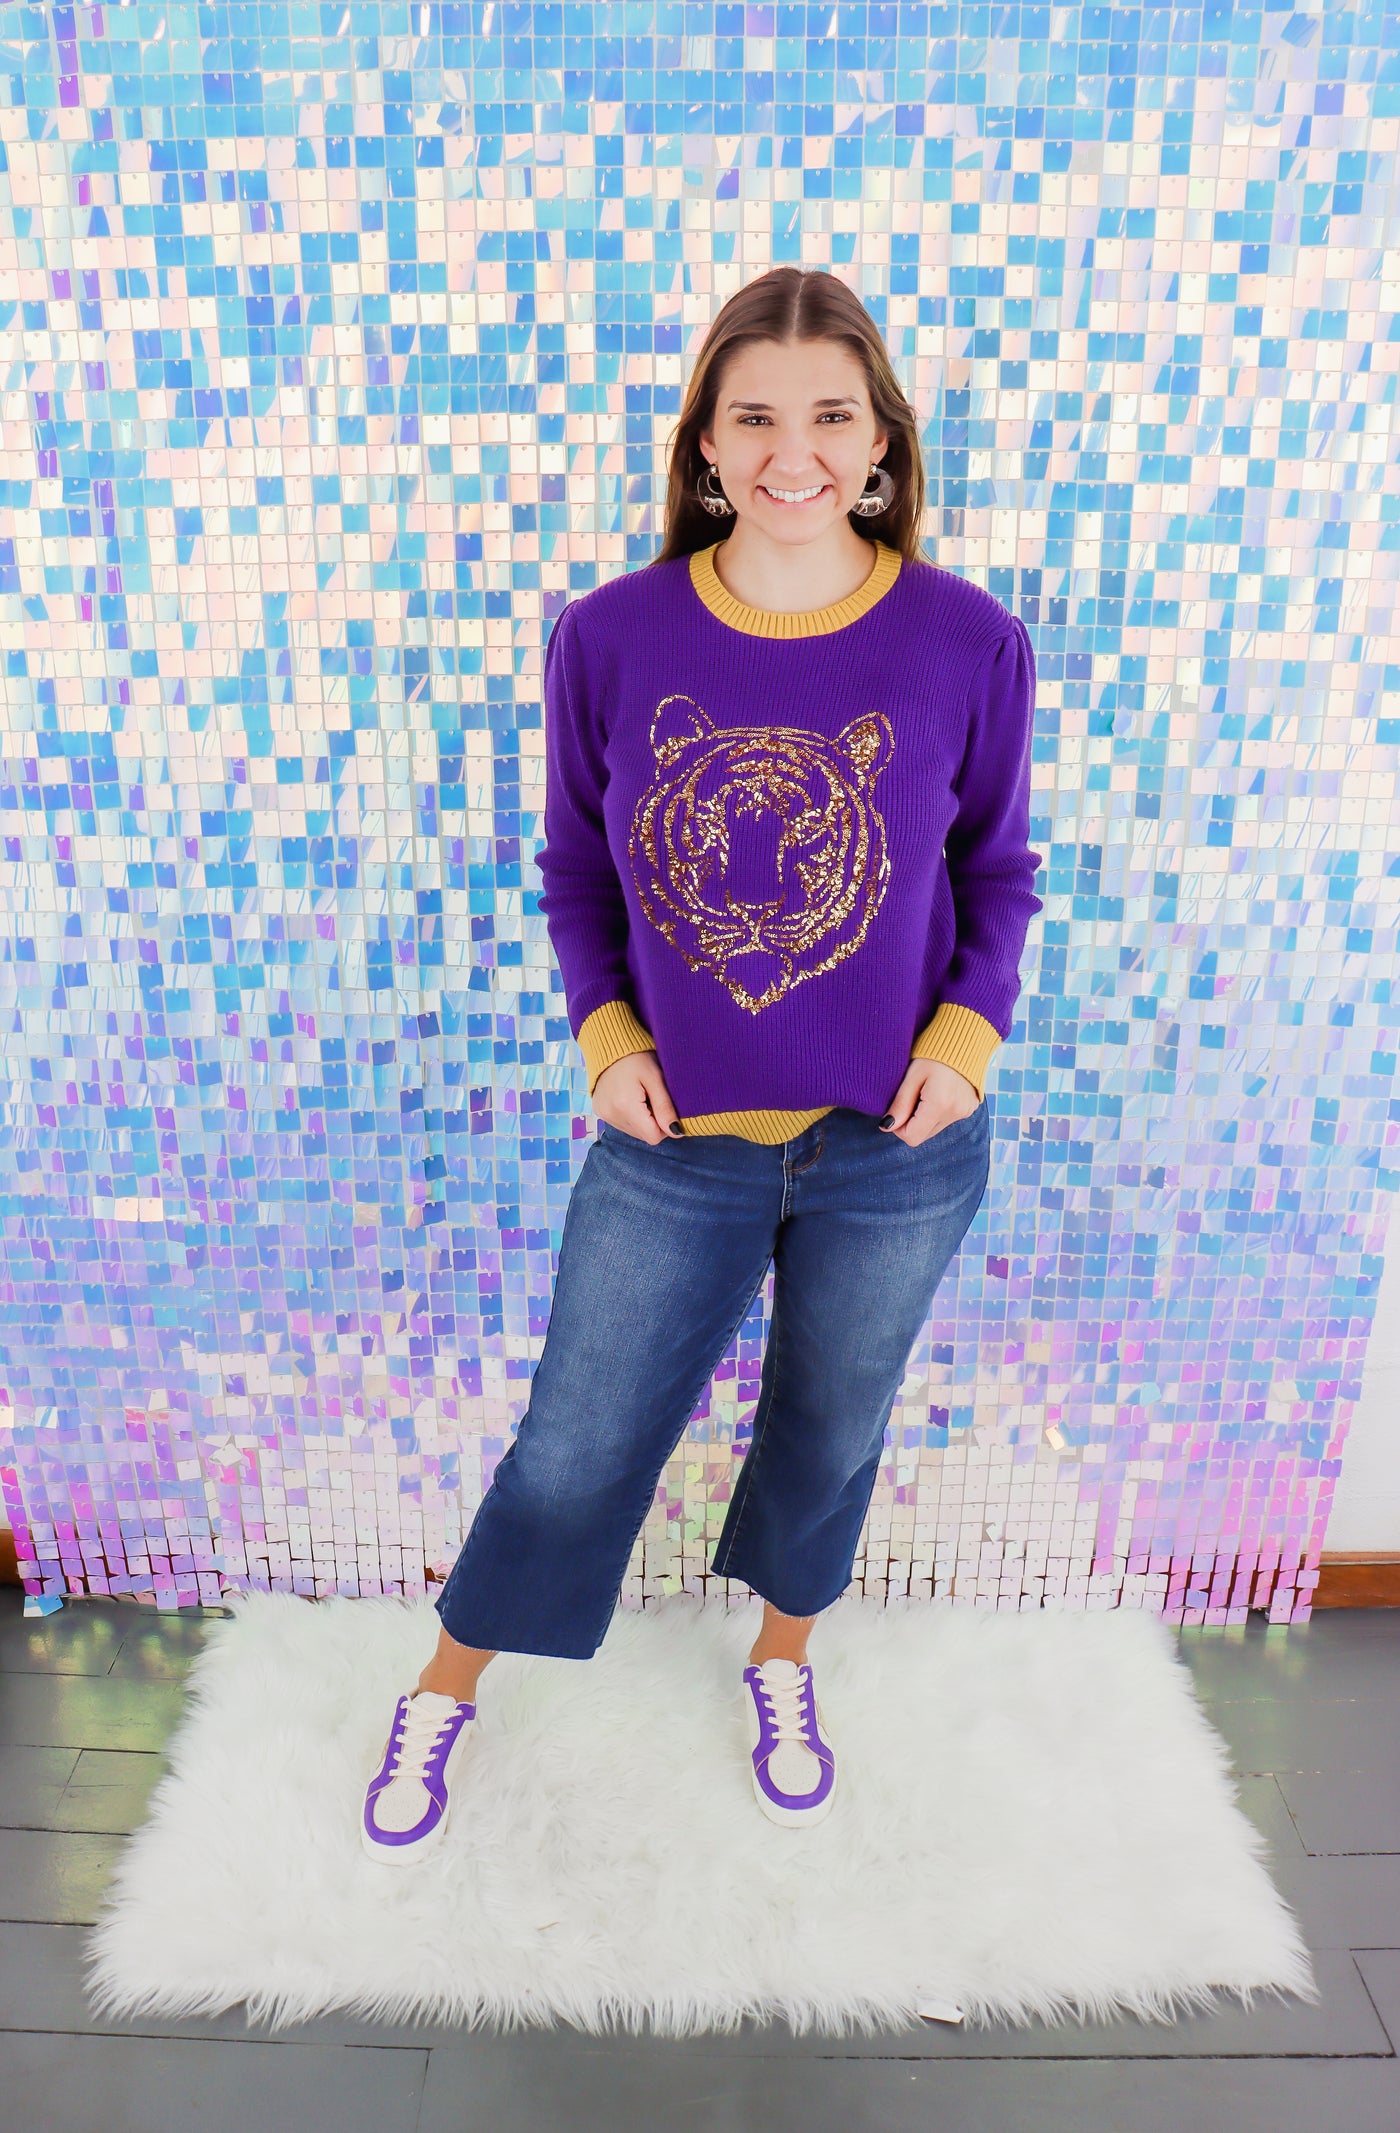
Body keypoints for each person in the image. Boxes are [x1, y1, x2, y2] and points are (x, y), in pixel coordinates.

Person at [361, 266, 1043, 1863]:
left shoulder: (967, 640)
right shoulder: (613, 637)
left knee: (832, 1424)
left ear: (881, 440)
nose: (794, 451)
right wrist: (606, 1036)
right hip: (677, 1140)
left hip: (898, 1139)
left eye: (831, 415)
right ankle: (446, 1684)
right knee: (576, 1440)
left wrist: (966, 1042)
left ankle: (782, 1661)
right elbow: (577, 871)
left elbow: (999, 872)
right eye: (756, 417)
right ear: (707, 445)